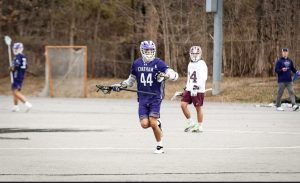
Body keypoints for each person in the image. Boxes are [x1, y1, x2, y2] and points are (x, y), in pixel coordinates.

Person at [112, 40, 179, 154]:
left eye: (151, 50)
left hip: (155, 97)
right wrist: (120, 85)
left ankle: (160, 146)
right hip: (142, 98)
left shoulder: (159, 63)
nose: (149, 52)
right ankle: (158, 124)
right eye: (146, 50)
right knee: (144, 125)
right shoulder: (137, 63)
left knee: (152, 123)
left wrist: (167, 75)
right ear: (142, 51)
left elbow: (175, 75)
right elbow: (131, 81)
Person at [180, 46, 208, 132]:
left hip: (198, 89)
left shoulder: (202, 63)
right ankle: (191, 122)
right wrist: (186, 88)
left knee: (198, 108)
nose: (195, 55)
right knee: (183, 105)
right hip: (189, 88)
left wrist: (197, 87)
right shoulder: (190, 64)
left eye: (196, 54)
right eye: (193, 54)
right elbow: (189, 77)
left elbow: (204, 77)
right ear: (190, 54)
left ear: (200, 54)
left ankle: (200, 126)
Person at [9, 42, 32, 112]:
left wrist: (12, 68)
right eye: (15, 49)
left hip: (17, 75)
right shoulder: (23, 56)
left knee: (15, 91)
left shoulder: (18, 56)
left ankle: (27, 104)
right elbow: (26, 66)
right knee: (15, 91)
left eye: (17, 49)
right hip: (21, 75)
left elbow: (16, 65)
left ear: (20, 49)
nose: (15, 50)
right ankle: (16, 106)